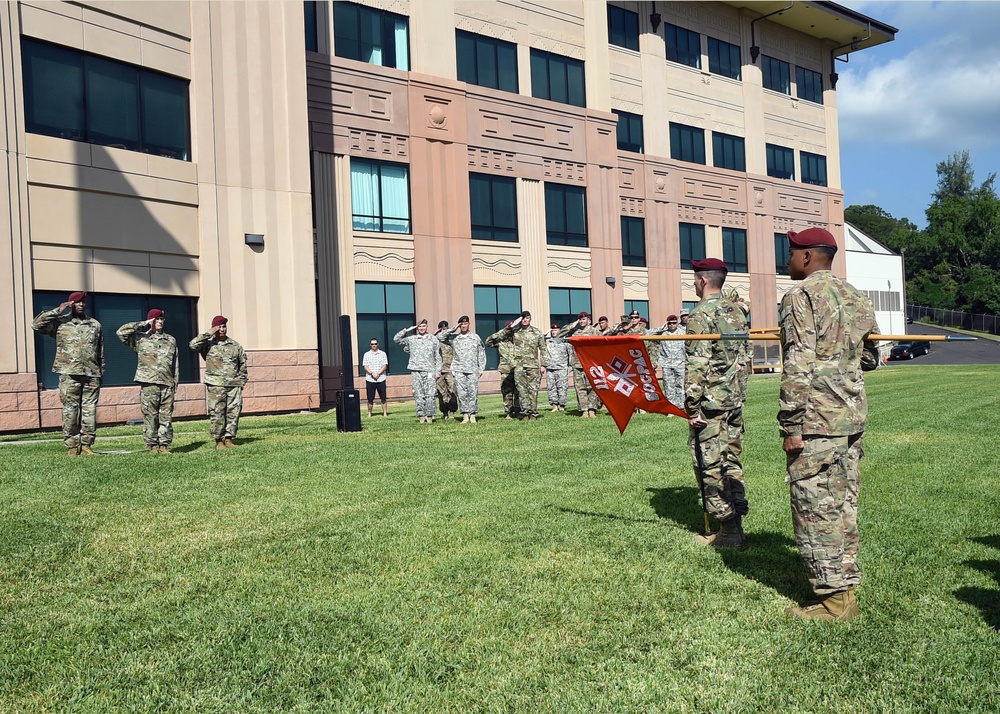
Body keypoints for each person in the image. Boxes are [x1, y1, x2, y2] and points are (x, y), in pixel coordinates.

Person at [779, 227, 879, 622]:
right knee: (843, 505)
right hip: (851, 416)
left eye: (791, 253)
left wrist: (791, 424)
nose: (787, 260)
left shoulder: (800, 296)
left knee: (815, 508)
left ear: (807, 257)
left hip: (817, 420)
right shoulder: (856, 296)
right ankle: (845, 588)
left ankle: (834, 602)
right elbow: (871, 359)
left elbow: (798, 363)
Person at [685, 258, 750, 548]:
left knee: (709, 463)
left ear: (702, 281)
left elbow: (698, 362)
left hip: (711, 402)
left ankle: (727, 529)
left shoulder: (700, 315)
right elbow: (743, 357)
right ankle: (736, 521)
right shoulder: (736, 312)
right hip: (733, 398)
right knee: (731, 460)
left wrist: (691, 405)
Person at [31, 291, 105, 456]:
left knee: (89, 410)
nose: (81, 305)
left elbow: (100, 351)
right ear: (71, 304)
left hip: (91, 374)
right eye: (77, 302)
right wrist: (58, 310)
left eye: (83, 302)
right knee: (70, 409)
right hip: (69, 373)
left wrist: (101, 373)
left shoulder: (95, 325)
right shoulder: (60, 324)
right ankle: (72, 446)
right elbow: (36, 325)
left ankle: (86, 445)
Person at [117, 308, 179, 453]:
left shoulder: (170, 340)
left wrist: (175, 382)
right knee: (150, 415)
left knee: (166, 415)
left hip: (166, 383)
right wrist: (143, 323)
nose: (159, 322)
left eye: (161, 319)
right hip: (149, 382)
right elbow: (121, 332)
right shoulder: (140, 338)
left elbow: (175, 363)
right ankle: (152, 445)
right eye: (156, 319)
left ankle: (164, 445)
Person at [190, 315, 248, 450]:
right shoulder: (208, 344)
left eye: (224, 326)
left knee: (233, 412)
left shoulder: (235, 345)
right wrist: (209, 332)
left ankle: (229, 438)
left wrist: (241, 381)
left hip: (233, 385)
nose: (222, 329)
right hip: (216, 385)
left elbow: (242, 365)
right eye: (219, 327)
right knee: (217, 412)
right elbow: (193, 345)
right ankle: (218, 441)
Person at [491, 311, 546, 421]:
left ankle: (533, 413)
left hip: (533, 366)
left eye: (527, 318)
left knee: (533, 390)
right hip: (519, 366)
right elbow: (493, 339)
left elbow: (543, 349)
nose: (525, 320)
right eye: (523, 318)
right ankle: (525, 412)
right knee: (521, 391)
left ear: (530, 319)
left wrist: (544, 364)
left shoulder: (537, 332)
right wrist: (510, 327)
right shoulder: (514, 332)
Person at [437, 315, 487, 423]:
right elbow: (440, 337)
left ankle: (472, 414)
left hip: (472, 369)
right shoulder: (454, 338)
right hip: (459, 369)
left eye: (465, 323)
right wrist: (454, 328)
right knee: (461, 393)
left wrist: (481, 368)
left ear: (469, 324)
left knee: (473, 392)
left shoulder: (475, 337)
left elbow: (481, 353)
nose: (464, 326)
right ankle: (465, 415)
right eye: (462, 324)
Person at [393, 319, 442, 423]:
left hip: (429, 370)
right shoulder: (412, 339)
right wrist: (407, 330)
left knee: (430, 393)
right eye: (419, 326)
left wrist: (438, 372)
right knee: (418, 393)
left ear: (427, 327)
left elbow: (437, 356)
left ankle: (429, 415)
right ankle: (421, 415)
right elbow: (396, 339)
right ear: (417, 328)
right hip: (416, 370)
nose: (421, 328)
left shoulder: (433, 339)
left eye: (423, 326)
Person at [558, 311, 602, 418]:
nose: (582, 321)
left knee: (592, 387)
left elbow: (603, 345)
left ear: (589, 320)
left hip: (591, 363)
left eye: (584, 319)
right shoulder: (575, 332)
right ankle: (584, 410)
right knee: (580, 388)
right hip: (578, 364)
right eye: (580, 319)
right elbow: (560, 334)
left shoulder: (595, 332)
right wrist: (573, 325)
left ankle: (592, 409)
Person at [648, 314, 685, 409]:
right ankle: (671, 407)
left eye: (674, 323)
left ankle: (681, 406)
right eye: (669, 323)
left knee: (680, 385)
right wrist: (661, 328)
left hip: (680, 363)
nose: (671, 325)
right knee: (668, 386)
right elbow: (647, 333)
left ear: (677, 323)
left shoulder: (683, 332)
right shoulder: (663, 333)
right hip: (667, 363)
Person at [723, 287, 753, 401]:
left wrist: (747, 357)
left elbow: (747, 339)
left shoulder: (738, 313)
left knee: (741, 384)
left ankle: (740, 402)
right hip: (727, 356)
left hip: (740, 356)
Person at [487, 321, 520, 419]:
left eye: (512, 329)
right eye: (509, 329)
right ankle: (508, 412)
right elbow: (488, 341)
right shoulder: (500, 341)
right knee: (507, 392)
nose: (511, 331)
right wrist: (503, 331)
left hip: (517, 369)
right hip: (505, 370)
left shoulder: (517, 340)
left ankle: (518, 411)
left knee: (518, 392)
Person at [434, 320, 459, 419]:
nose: (444, 330)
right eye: (442, 328)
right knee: (441, 393)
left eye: (446, 328)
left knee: (452, 391)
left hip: (450, 369)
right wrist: (434, 334)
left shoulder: (453, 338)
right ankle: (445, 412)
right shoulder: (435, 339)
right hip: (439, 370)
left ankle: (452, 411)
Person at [544, 323, 571, 411]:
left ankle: (562, 405)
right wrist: (546, 332)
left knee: (562, 387)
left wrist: (570, 366)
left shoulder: (564, 341)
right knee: (551, 387)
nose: (553, 332)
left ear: (559, 331)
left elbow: (570, 353)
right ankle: (554, 405)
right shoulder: (548, 341)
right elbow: (540, 339)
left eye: (555, 330)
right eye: (552, 330)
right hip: (550, 367)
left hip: (562, 367)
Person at [362, 337, 389, 417]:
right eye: (372, 344)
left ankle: (385, 413)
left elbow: (385, 366)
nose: (374, 345)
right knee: (370, 398)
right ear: (370, 345)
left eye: (375, 344)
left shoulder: (383, 354)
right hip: (370, 379)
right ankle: (369, 413)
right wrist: (372, 373)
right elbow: (365, 366)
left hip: (381, 379)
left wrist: (378, 373)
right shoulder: (366, 354)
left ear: (378, 344)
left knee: (383, 397)